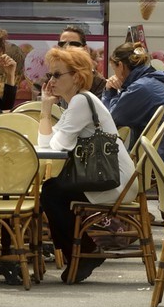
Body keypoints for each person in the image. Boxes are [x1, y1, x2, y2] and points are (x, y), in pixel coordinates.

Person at [37, 46, 133, 284]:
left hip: (113, 180)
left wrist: (49, 118)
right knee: (53, 190)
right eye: (50, 75)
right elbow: (47, 142)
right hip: (108, 176)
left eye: (57, 75)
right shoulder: (77, 102)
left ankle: (83, 254)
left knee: (51, 192)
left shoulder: (81, 101)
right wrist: (46, 107)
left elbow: (56, 146)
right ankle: (83, 253)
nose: (51, 81)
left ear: (77, 76)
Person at [101, 41, 164, 164]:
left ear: (120, 65)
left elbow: (110, 118)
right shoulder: (150, 81)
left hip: (159, 155)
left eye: (114, 69)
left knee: (106, 164)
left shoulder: (140, 87)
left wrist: (110, 91)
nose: (115, 75)